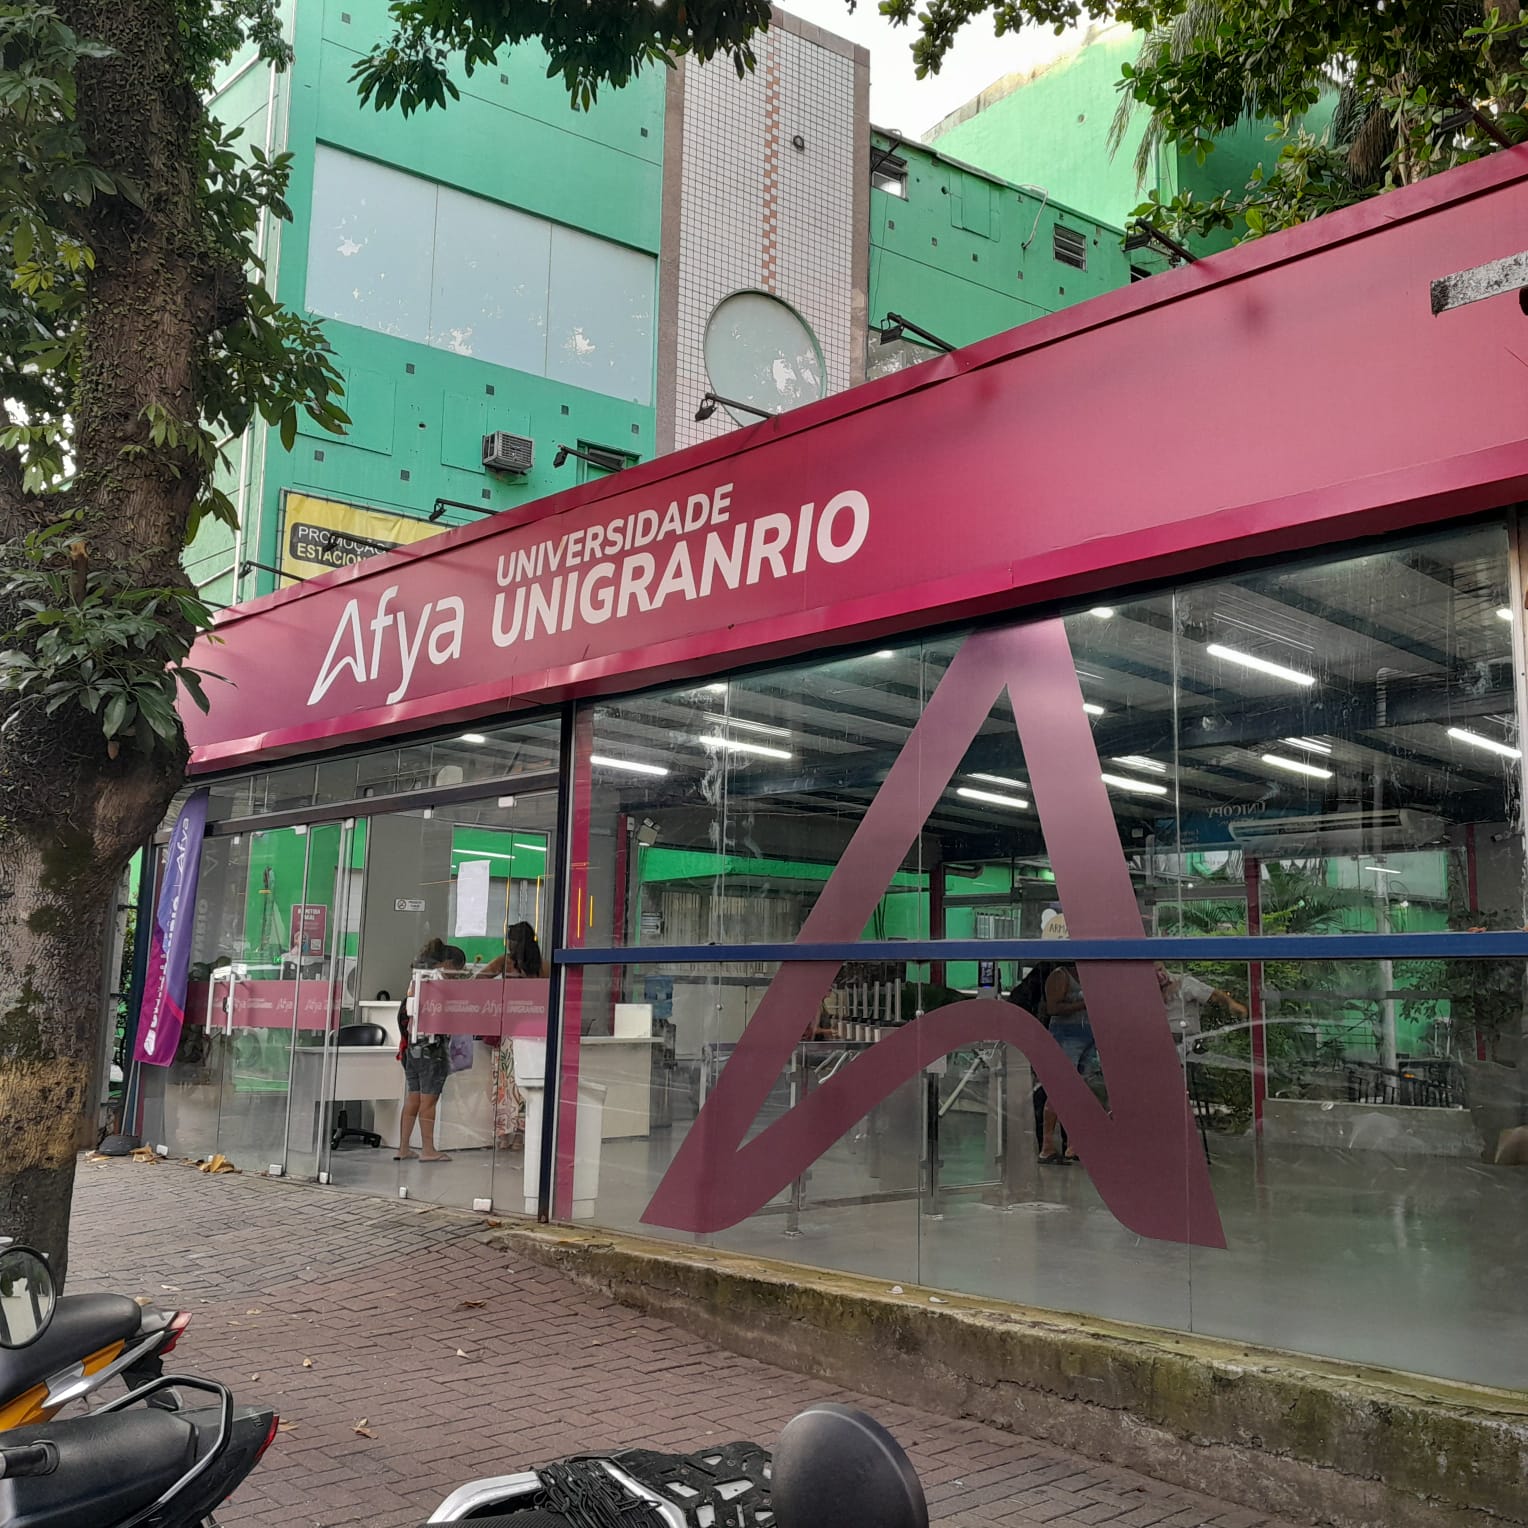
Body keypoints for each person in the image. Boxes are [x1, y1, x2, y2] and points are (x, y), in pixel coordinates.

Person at [395, 939, 466, 1163]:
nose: (457, 976)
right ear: (448, 964)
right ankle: (428, 1149)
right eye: (457, 971)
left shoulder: (417, 980)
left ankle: (403, 1148)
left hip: (412, 1048)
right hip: (433, 1050)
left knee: (413, 1099)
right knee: (429, 1101)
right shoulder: (439, 985)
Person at [478, 922, 543, 1152]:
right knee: (524, 1081)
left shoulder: (504, 962)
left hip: (510, 1028)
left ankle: (505, 1133)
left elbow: (479, 980)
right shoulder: (541, 965)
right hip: (533, 1031)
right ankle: (521, 1134)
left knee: (505, 1082)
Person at [1039, 962, 1093, 1165]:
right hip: (1066, 1036)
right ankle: (1047, 1145)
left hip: (1089, 1036)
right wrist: (1084, 1004)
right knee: (1059, 1089)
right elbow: (1053, 1008)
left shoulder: (1090, 976)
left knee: (1081, 1090)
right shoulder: (1060, 976)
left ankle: (1073, 1144)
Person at [1155, 962, 1247, 1049]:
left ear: (1164, 965)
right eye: (1155, 973)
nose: (1160, 975)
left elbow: (1213, 995)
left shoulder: (1183, 983)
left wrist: (1231, 1003)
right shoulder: (1148, 990)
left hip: (1184, 1042)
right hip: (1158, 1040)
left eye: (1160, 969)